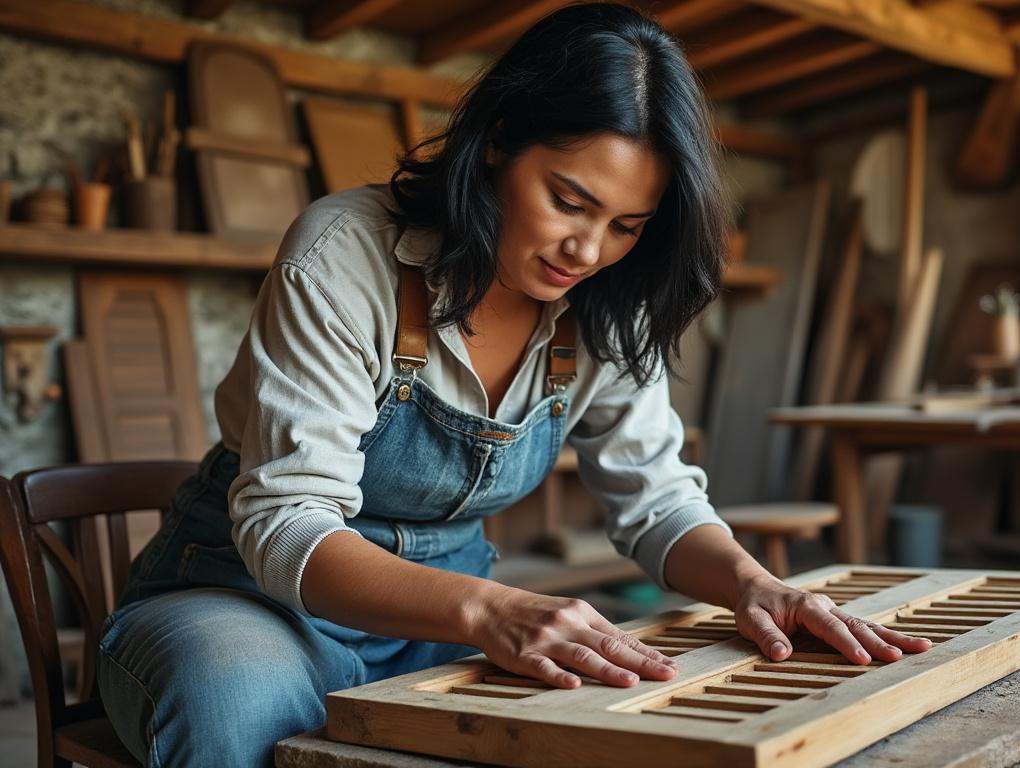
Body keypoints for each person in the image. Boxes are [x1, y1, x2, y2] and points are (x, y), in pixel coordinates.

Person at [96, 4, 930, 766]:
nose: (589, 249)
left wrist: (756, 585)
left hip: (440, 621)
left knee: (592, 720)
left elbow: (659, 504)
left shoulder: (609, 300)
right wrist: (489, 612)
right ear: (498, 142)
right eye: (570, 200)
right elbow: (285, 524)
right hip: (245, 599)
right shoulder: (345, 254)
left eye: (627, 226)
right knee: (241, 696)